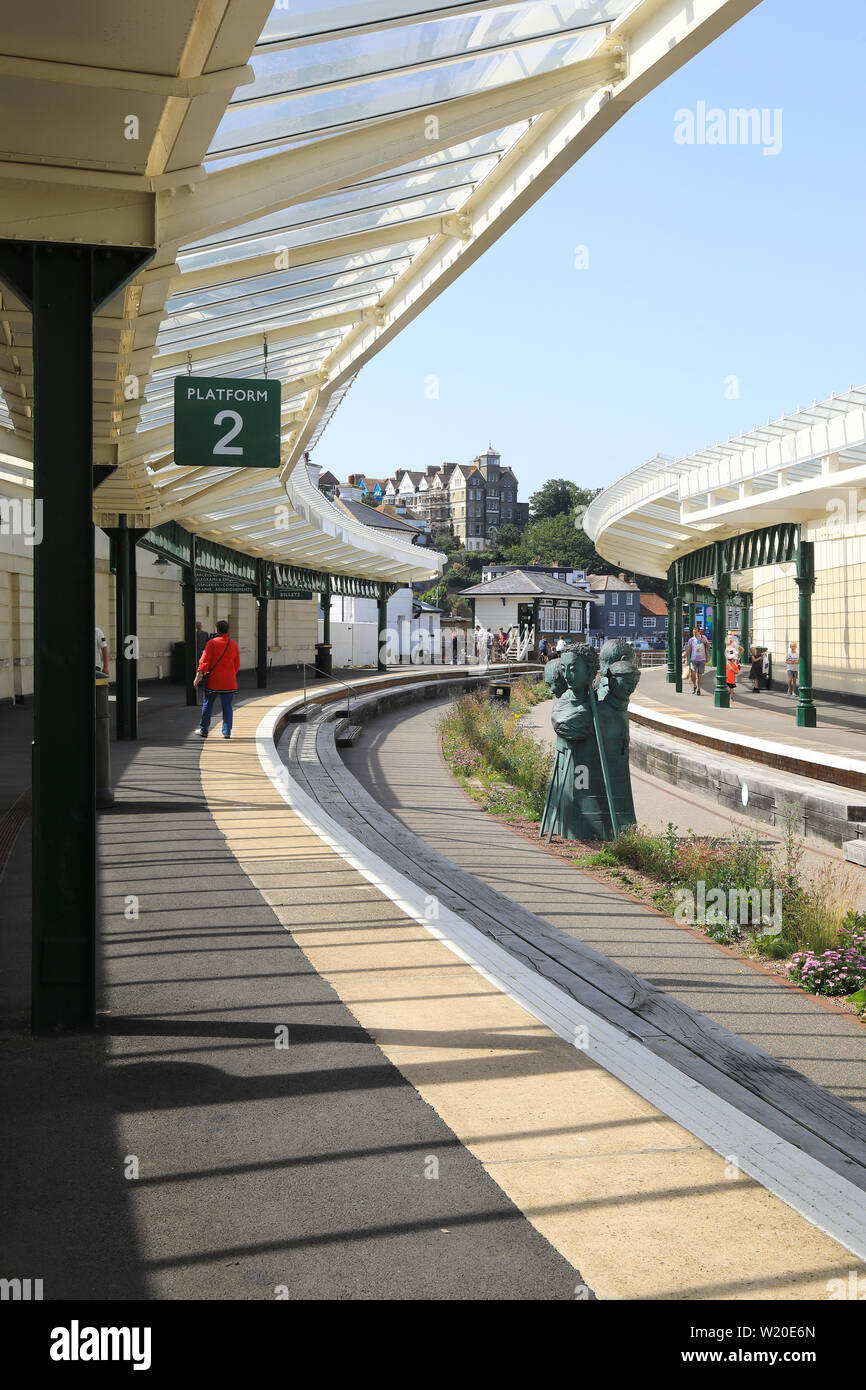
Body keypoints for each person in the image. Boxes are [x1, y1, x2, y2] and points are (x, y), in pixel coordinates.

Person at [195, 619, 240, 739]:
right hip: (229, 682)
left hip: (213, 681)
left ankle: (204, 730)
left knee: (208, 705)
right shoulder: (233, 644)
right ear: (227, 630)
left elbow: (204, 662)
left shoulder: (211, 643)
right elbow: (237, 664)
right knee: (227, 707)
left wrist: (198, 677)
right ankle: (226, 732)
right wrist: (230, 674)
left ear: (216, 629)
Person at [684, 626, 709, 695]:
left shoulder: (703, 638)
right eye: (693, 632)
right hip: (693, 659)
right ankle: (694, 685)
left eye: (696, 632)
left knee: (700, 675)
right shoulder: (691, 640)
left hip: (702, 659)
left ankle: (698, 689)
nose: (694, 633)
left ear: (699, 632)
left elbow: (708, 646)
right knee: (693, 675)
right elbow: (688, 650)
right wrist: (686, 659)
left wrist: (705, 642)